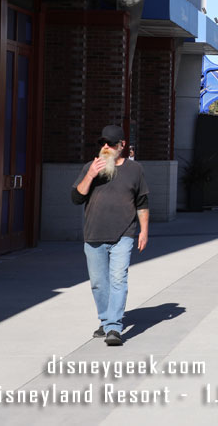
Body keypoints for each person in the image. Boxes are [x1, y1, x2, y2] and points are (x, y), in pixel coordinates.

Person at [71, 124, 149, 347]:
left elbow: (142, 202)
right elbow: (76, 198)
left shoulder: (135, 170)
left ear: (122, 146)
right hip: (94, 234)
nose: (106, 147)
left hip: (124, 233)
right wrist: (91, 175)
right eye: (102, 143)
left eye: (111, 144)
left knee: (118, 280)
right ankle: (106, 321)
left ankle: (114, 327)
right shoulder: (91, 167)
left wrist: (144, 231)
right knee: (98, 283)